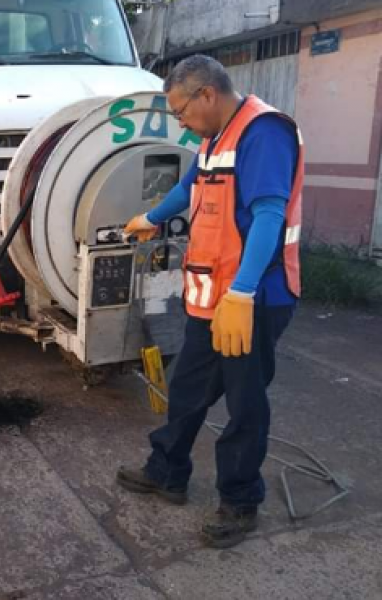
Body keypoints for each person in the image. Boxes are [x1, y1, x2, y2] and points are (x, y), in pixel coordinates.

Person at [118, 55, 303, 549]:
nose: (179, 121)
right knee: (187, 388)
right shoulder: (213, 137)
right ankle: (168, 472)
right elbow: (190, 185)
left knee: (244, 404)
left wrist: (242, 293)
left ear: (207, 95)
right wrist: (151, 216)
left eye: (181, 111)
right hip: (212, 299)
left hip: (252, 300)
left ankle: (240, 501)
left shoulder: (264, 133)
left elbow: (268, 216)